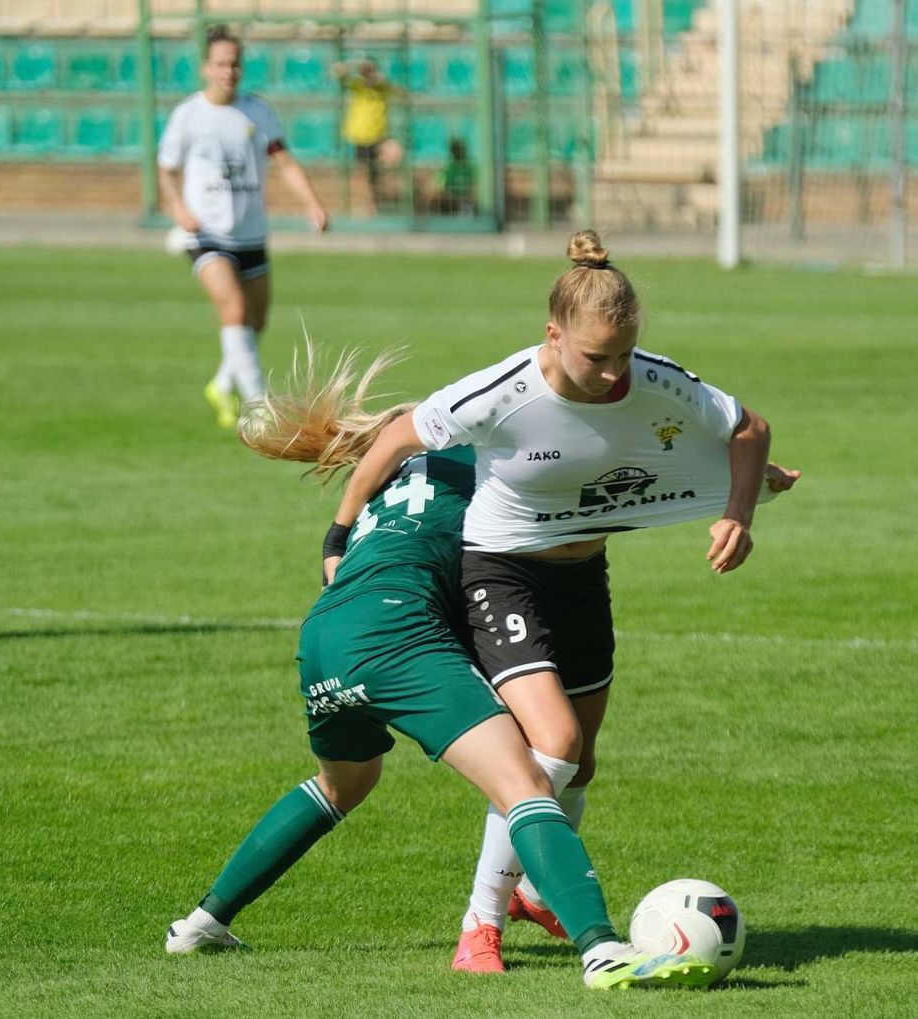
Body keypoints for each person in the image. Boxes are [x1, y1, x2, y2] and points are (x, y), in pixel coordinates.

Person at [164, 345, 728, 990]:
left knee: (341, 785)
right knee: (530, 779)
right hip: (398, 637)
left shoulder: (398, 481)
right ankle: (600, 948)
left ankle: (201, 922)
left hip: (323, 634)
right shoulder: (497, 472)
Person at [323, 230, 799, 967]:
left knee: (583, 764)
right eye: (596, 357)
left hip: (583, 577)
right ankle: (480, 923)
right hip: (501, 573)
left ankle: (530, 890)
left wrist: (737, 511)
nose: (615, 375)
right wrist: (338, 532)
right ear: (553, 335)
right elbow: (394, 439)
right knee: (554, 744)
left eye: (624, 355)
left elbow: (748, 428)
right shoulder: (500, 394)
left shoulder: (652, 378)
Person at [158, 26, 329, 430]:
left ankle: (221, 384)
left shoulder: (258, 112)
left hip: (251, 233)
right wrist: (178, 208)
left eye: (235, 64)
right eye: (220, 64)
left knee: (256, 322)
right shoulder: (188, 115)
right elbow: (166, 170)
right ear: (205, 68)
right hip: (205, 234)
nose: (228, 71)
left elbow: (284, 162)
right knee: (233, 310)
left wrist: (313, 204)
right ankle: (257, 409)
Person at [332, 58, 402, 214]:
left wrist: (382, 80)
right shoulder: (358, 86)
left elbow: (401, 92)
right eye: (365, 71)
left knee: (390, 158)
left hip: (378, 136)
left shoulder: (382, 88)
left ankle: (383, 198)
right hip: (360, 137)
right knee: (364, 173)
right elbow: (337, 72)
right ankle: (369, 203)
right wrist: (351, 65)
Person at [433, 136, 477, 216]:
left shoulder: (468, 167)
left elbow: (473, 187)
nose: (458, 152)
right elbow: (442, 188)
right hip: (453, 201)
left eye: (458, 150)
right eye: (455, 150)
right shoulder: (449, 168)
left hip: (465, 201)